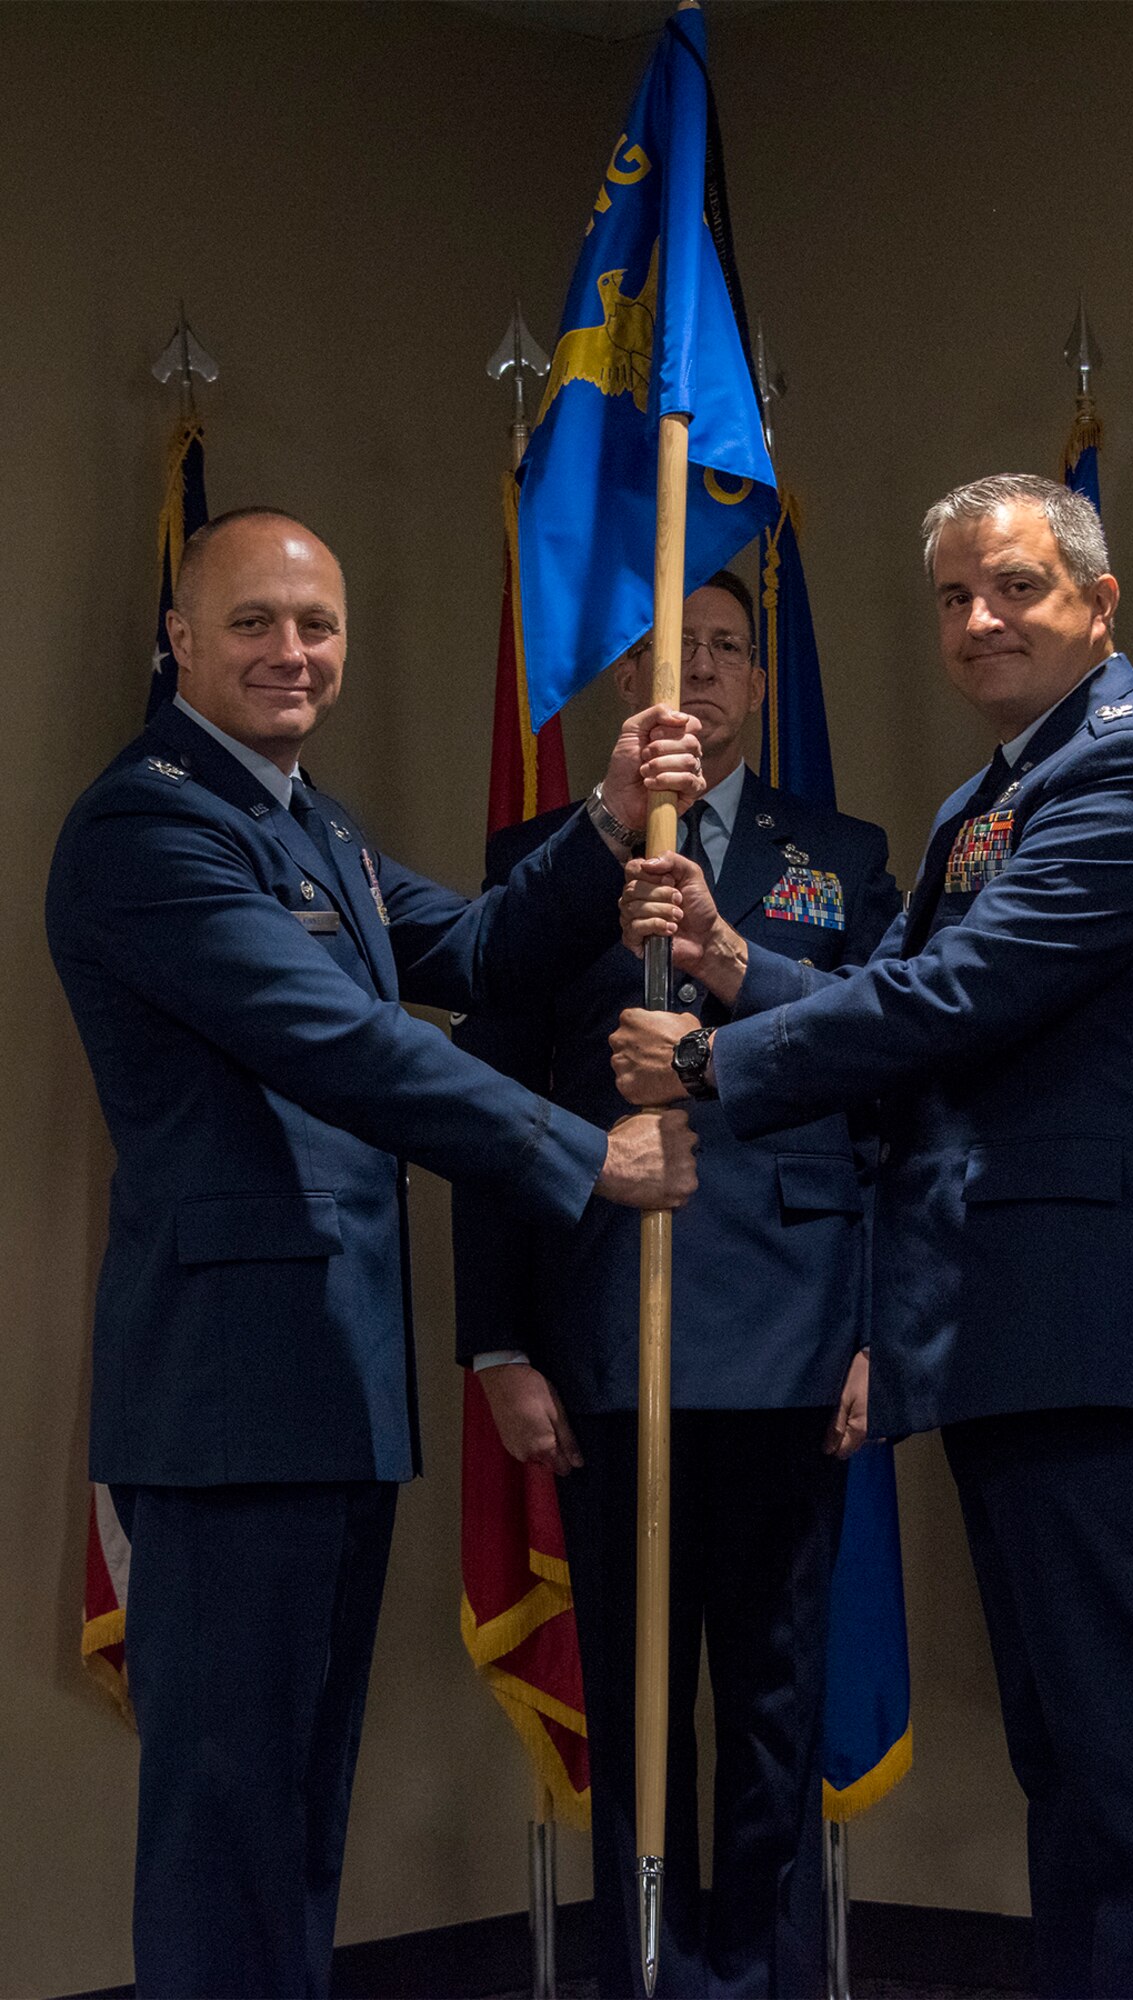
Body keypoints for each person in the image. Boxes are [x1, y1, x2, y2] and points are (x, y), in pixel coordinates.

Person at [612, 478, 1133, 2000]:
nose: (980, 619)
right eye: (951, 596)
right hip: (1014, 1329)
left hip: (1107, 1332)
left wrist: (713, 1060)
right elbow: (916, 1028)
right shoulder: (991, 798)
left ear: (1098, 605)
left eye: (1017, 588)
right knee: (1073, 1759)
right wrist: (731, 964)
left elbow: (948, 1001)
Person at [45, 507, 703, 2000]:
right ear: (179, 639)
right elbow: (339, 1043)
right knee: (228, 1825)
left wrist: (602, 821)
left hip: (329, 1389)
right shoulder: (150, 826)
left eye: (318, 625)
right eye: (255, 623)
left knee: (293, 1818)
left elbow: (466, 957)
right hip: (224, 1402)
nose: (293, 652)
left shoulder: (303, 819)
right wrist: (580, 1154)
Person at [452, 571, 901, 1998]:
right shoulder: (541, 861)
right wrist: (498, 1343)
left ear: (759, 684)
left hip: (792, 1331)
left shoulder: (836, 853)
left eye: (722, 652)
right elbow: (485, 1105)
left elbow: (891, 1084)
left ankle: (755, 1978)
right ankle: (645, 1977)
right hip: (602, 1331)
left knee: (772, 1698)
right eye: (665, 651)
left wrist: (876, 1330)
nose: (696, 674)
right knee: (634, 1692)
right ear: (620, 680)